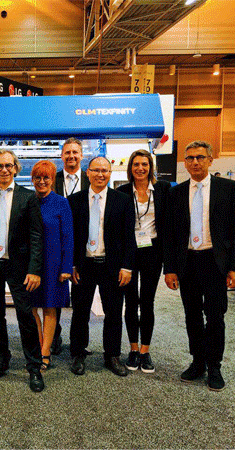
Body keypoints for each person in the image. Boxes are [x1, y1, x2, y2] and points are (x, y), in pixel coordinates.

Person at [164, 141, 235, 391]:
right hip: (188, 262)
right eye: (190, 158)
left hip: (215, 262)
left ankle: (214, 366)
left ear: (210, 160)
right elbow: (170, 234)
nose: (195, 162)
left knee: (215, 316)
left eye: (200, 157)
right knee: (192, 315)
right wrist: (170, 269)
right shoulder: (176, 193)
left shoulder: (227, 188)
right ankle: (197, 362)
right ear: (185, 162)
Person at [0, 149, 45, 392]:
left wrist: (35, 269)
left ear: (15, 168)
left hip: (19, 267)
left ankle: (34, 367)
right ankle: (2, 359)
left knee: (25, 315)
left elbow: (36, 236)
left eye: (8, 165)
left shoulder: (28, 197)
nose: (4, 170)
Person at [68, 156, 136, 377]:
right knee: (80, 312)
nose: (100, 174)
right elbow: (70, 237)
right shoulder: (75, 200)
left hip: (112, 266)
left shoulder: (122, 200)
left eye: (105, 170)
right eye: (96, 170)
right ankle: (78, 353)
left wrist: (127, 267)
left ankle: (112, 355)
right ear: (87, 173)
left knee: (114, 313)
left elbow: (129, 236)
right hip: (83, 265)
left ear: (110, 173)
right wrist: (71, 264)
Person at [117, 150, 170, 373]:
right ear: (131, 168)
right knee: (130, 301)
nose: (140, 168)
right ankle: (133, 348)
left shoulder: (163, 190)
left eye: (144, 164)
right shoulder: (121, 192)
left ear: (151, 167)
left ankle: (145, 351)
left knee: (147, 301)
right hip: (129, 251)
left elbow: (170, 223)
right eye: (136, 164)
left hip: (153, 251)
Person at [30, 160, 73, 371]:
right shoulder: (27, 201)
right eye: (37, 177)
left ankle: (45, 353)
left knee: (50, 307)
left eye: (46, 177)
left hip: (54, 264)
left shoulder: (61, 203)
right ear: (32, 179)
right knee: (30, 308)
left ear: (52, 179)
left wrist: (66, 267)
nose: (41, 181)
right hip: (31, 264)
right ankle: (37, 347)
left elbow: (68, 236)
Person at [52, 137, 89, 356]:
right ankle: (53, 337)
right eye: (67, 153)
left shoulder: (90, 179)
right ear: (62, 156)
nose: (71, 156)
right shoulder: (52, 180)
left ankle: (79, 344)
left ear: (81, 155)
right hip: (56, 246)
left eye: (75, 152)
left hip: (84, 246)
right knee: (55, 295)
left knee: (81, 299)